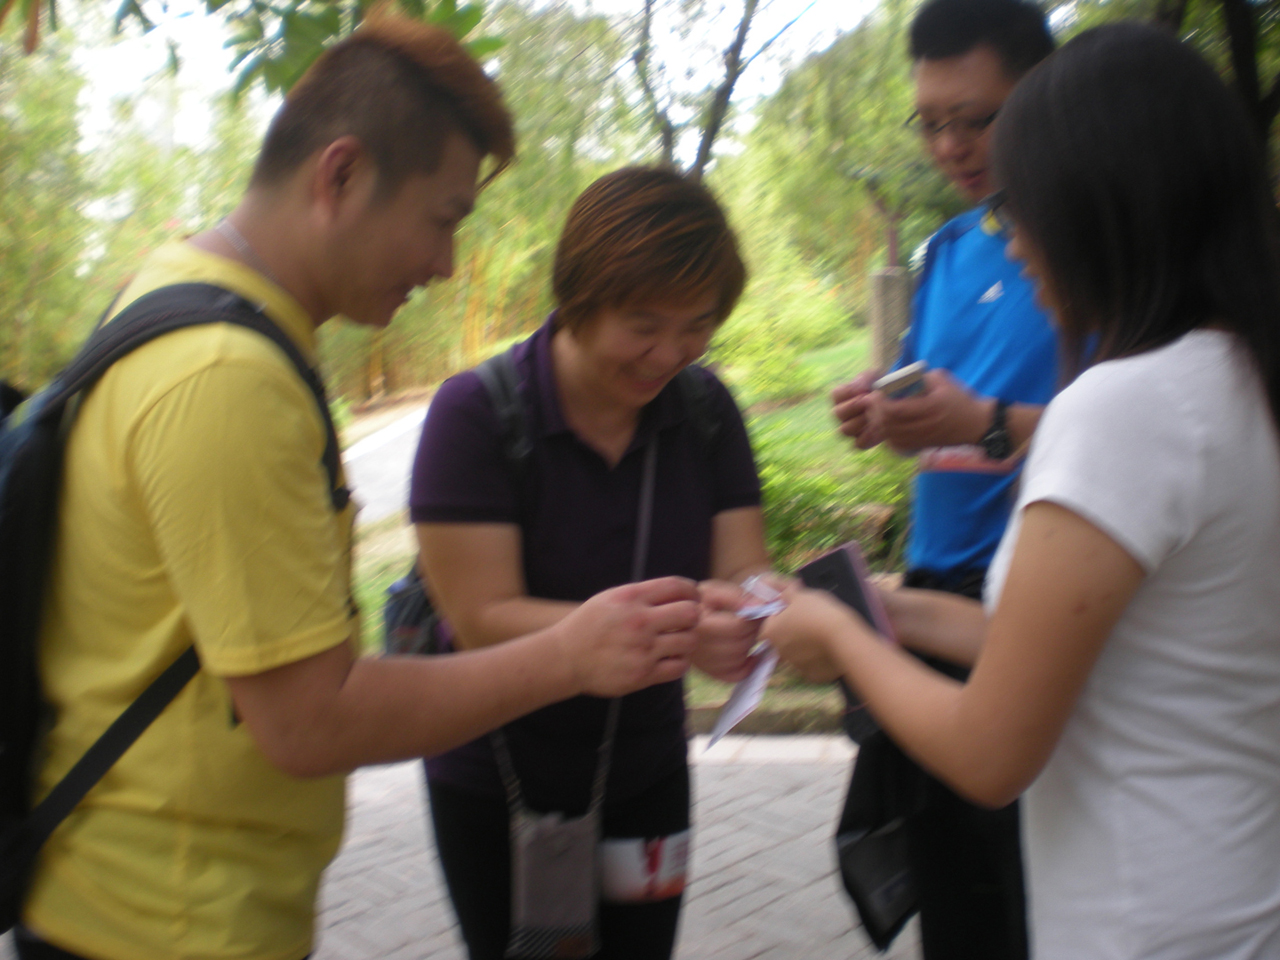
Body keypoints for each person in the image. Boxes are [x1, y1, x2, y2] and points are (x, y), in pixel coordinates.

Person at [17, 20, 707, 960]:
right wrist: (570, 655)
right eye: (443, 218)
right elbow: (309, 721)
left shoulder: (176, 296)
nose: (447, 264)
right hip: (168, 923)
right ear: (340, 175)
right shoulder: (224, 375)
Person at [768, 21, 1280, 960]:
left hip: (1143, 925)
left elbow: (989, 751)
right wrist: (887, 610)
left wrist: (841, 639)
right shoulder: (1241, 376)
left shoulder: (1121, 407)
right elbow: (1121, 655)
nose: (1017, 238)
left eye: (1027, 204)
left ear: (1096, 208)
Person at [410, 166, 770, 960]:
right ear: (578, 298)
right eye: (643, 325)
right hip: (496, 779)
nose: (669, 353)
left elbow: (746, 571)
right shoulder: (476, 416)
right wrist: (673, 631)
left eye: (697, 326)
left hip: (645, 771)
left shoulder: (705, 412)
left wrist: (749, 612)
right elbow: (480, 617)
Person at [831, 2, 1056, 956]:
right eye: (930, 122)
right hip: (933, 593)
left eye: (974, 118)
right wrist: (882, 417)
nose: (950, 146)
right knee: (953, 896)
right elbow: (932, 416)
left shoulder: (1101, 251)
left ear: (1044, 95)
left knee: (1029, 893)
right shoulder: (952, 250)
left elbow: (1145, 433)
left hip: (1043, 601)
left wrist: (985, 421)